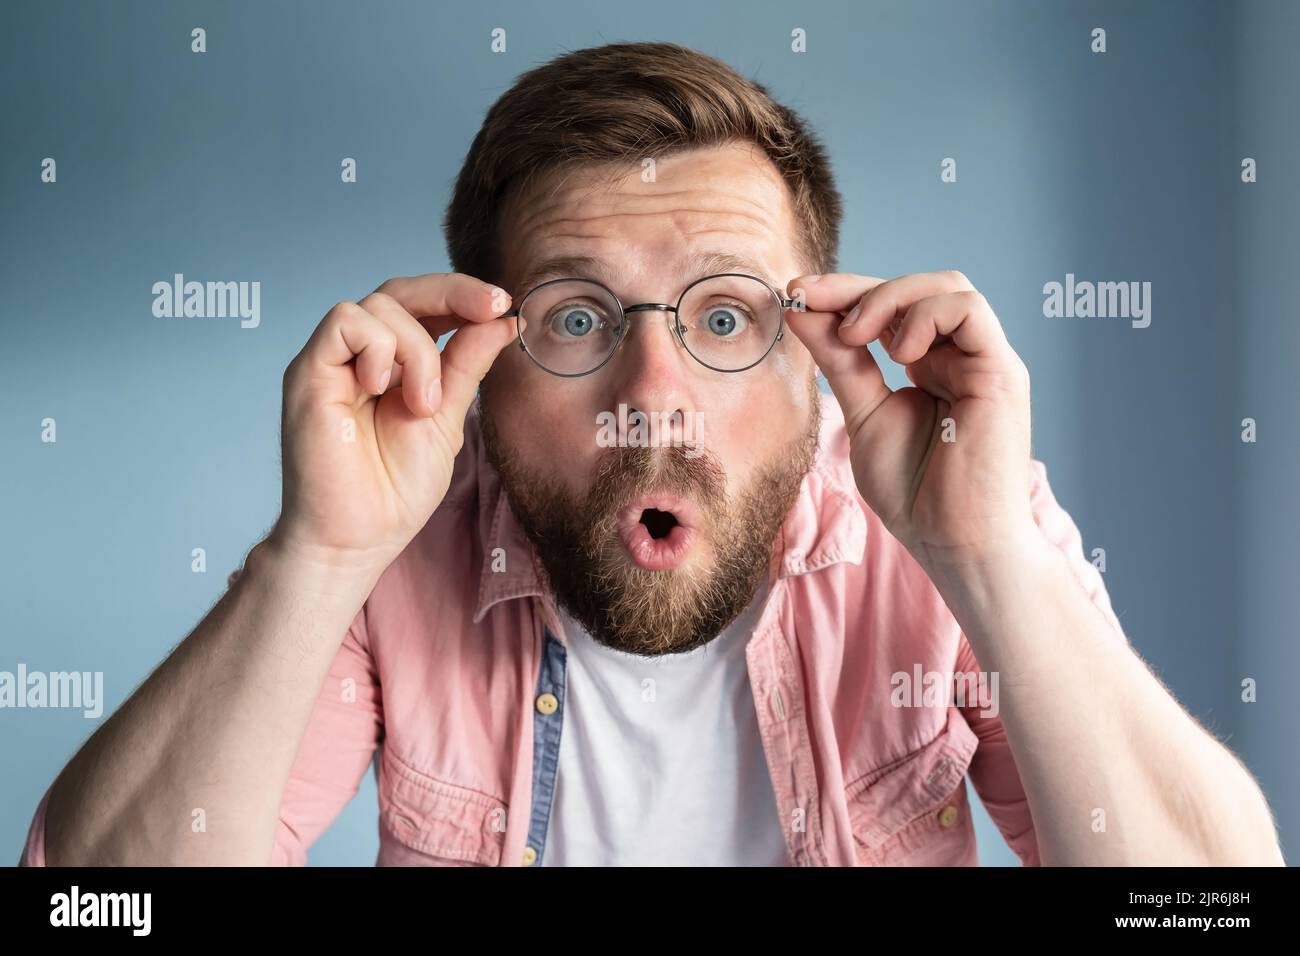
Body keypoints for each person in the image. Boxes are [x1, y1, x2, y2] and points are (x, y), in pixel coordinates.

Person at [20, 41, 1281, 867]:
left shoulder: (952, 520)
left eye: (725, 317)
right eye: (576, 318)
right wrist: (316, 553)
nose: (655, 395)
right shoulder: (396, 549)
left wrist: (992, 555)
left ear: (819, 363)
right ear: (481, 368)